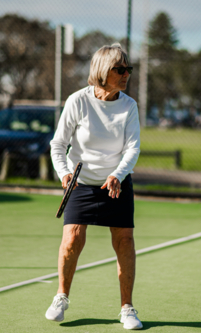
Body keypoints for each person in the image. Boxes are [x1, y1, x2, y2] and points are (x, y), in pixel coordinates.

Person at [46, 43, 142, 330]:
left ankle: (127, 308)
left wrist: (118, 174)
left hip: (117, 183)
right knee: (72, 240)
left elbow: (132, 149)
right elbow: (58, 144)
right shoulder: (78, 101)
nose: (126, 74)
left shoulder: (129, 106)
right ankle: (61, 297)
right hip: (81, 184)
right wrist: (64, 174)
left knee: (124, 241)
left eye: (129, 69)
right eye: (120, 69)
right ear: (103, 71)